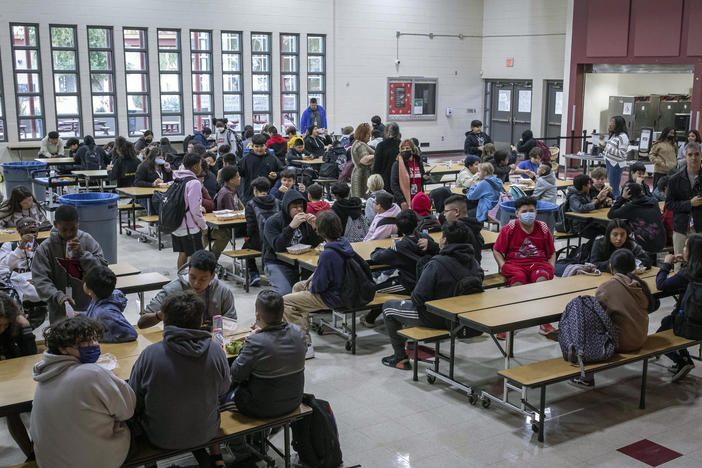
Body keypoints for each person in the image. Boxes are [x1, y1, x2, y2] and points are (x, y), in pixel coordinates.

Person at [129, 291, 231, 467]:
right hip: (206, 432)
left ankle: (150, 465)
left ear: (165, 322)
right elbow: (223, 390)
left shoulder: (150, 355)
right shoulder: (215, 350)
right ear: (201, 321)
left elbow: (134, 399)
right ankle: (216, 456)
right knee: (211, 401)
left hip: (160, 437)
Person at [31, 315, 136, 468]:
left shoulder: (45, 375)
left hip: (49, 461)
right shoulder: (91, 374)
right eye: (84, 342)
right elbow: (128, 410)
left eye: (94, 339)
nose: (93, 345)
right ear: (63, 348)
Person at [381, 221, 484, 370]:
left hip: (437, 318)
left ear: (445, 240)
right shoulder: (474, 263)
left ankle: (399, 358)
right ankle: (410, 343)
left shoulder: (436, 264)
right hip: (462, 318)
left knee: (389, 308)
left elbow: (417, 298)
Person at [571, 249, 657, 388]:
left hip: (622, 344)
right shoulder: (640, 284)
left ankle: (586, 377)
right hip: (641, 338)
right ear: (634, 267)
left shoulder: (606, 288)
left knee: (585, 322)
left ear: (611, 267)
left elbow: (598, 317)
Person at [283, 211, 356, 358]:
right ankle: (301, 332)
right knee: (298, 287)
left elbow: (318, 287)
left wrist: (312, 284)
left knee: (284, 302)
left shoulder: (327, 254)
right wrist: (315, 276)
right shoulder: (343, 243)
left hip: (332, 296)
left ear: (321, 231)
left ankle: (304, 345)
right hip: (344, 289)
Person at [229, 290, 306, 417]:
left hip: (261, 408)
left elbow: (236, 374)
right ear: (282, 313)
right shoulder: (298, 333)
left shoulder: (255, 342)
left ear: (258, 316)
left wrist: (248, 342)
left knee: (228, 393)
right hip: (294, 401)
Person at [32, 205, 107, 324]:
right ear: (56, 225)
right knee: (63, 339)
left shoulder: (87, 240)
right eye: (64, 230)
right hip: (59, 310)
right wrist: (57, 296)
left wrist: (83, 255)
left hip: (88, 306)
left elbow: (103, 270)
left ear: (78, 223)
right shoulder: (46, 248)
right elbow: (40, 279)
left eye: (73, 229)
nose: (69, 233)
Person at [493, 196, 556, 336]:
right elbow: (497, 250)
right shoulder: (509, 228)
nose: (528, 214)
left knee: (541, 282)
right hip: (515, 264)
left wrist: (551, 266)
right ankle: (509, 322)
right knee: (518, 282)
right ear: (517, 213)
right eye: (524, 211)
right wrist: (503, 265)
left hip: (538, 263)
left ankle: (544, 322)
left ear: (536, 212)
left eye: (531, 210)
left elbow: (552, 252)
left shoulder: (543, 228)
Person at [138, 250, 237, 330]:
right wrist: (160, 315)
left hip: (210, 341)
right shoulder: (173, 290)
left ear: (212, 275)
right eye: (192, 277)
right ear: (188, 271)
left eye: (203, 279)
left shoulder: (223, 292)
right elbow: (142, 323)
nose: (196, 283)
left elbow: (232, 323)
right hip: (178, 343)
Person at [655, 234, 702, 381]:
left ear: (692, 252)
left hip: (690, 325)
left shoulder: (687, 274)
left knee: (660, 335)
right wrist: (687, 263)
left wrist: (667, 264)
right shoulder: (693, 270)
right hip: (698, 321)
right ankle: (683, 358)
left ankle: (682, 361)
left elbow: (661, 284)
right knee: (669, 320)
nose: (683, 249)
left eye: (685, 246)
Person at [263, 189, 322, 295]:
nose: (299, 209)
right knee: (286, 294)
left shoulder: (304, 222)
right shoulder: (272, 222)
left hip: (300, 261)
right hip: (276, 262)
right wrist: (291, 227)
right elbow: (278, 246)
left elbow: (313, 244)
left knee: (313, 290)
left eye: (301, 206)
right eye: (295, 207)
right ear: (287, 207)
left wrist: (315, 228)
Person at [0, 292, 36, 460]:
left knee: (37, 406)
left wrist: (27, 331)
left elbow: (31, 359)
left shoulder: (19, 325)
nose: (1, 329)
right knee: (10, 412)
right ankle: (30, 454)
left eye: (5, 325)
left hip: (18, 373)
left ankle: (39, 450)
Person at [370, 209, 440, 294]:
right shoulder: (427, 239)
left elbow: (377, 257)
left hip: (410, 284)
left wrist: (379, 249)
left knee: (375, 292)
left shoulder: (399, 247)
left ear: (398, 228)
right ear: (417, 223)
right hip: (429, 282)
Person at [0, 217, 43, 327]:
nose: (31, 234)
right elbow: (3, 267)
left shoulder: (42, 248)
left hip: (35, 287)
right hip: (15, 287)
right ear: (20, 232)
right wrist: (20, 247)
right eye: (26, 231)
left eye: (33, 230)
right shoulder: (9, 246)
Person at [665, 142, 702, 266]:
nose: (694, 158)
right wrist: (689, 203)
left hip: (700, 228)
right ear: (685, 157)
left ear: (701, 155)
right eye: (690, 154)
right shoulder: (675, 179)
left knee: (698, 265)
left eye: (696, 154)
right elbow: (669, 204)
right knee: (679, 265)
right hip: (681, 228)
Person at [170, 153, 208, 269]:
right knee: (196, 257)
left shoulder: (176, 178)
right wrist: (203, 226)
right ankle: (195, 282)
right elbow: (195, 209)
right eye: (200, 165)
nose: (201, 168)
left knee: (183, 253)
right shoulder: (194, 183)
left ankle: (182, 279)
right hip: (189, 227)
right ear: (196, 166)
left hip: (176, 224)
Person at [83, 265, 137, 343]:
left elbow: (131, 333)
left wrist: (96, 337)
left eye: (85, 282)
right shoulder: (97, 297)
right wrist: (79, 315)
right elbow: (93, 314)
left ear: (90, 291)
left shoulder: (105, 313)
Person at [608, 183, 666, 254]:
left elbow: (610, 214)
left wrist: (622, 198)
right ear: (641, 192)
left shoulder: (631, 207)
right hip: (661, 241)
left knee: (623, 235)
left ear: (628, 194)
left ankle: (622, 259)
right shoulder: (653, 201)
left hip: (647, 245)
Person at [243, 177, 280, 287]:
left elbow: (251, 227)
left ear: (255, 190)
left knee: (245, 248)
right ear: (268, 189)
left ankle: (254, 274)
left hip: (259, 240)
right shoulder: (277, 201)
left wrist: (248, 235)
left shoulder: (251, 204)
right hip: (276, 239)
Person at [209, 165, 243, 260]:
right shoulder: (227, 193)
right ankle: (212, 260)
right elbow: (231, 214)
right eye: (237, 176)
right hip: (223, 228)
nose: (239, 178)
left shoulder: (233, 190)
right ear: (231, 180)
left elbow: (241, 206)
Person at [239, 133, 283, 202]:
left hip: (269, 195)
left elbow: (282, 172)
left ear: (265, 146)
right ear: (252, 146)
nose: (259, 149)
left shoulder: (273, 159)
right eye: (256, 146)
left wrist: (276, 175)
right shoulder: (246, 160)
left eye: (262, 146)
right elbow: (239, 173)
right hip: (250, 196)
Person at [442, 194, 485, 263]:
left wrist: (432, 246)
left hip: (459, 271)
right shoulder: (473, 226)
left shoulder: (456, 231)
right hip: (474, 268)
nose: (444, 215)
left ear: (456, 212)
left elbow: (448, 257)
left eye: (446, 211)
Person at [567, 174, 610, 239]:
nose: (590, 186)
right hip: (579, 226)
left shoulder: (585, 194)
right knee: (603, 235)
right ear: (583, 186)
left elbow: (591, 205)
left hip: (589, 223)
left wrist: (601, 200)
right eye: (588, 184)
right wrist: (596, 200)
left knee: (608, 230)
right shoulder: (573, 197)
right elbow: (581, 209)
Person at [390, 139, 427, 209]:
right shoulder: (397, 164)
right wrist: (402, 201)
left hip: (418, 199)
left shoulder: (418, 162)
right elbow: (394, 185)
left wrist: (424, 178)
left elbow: (420, 180)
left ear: (412, 150)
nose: (405, 150)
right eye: (402, 149)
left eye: (407, 148)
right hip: (404, 201)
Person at [601, 115, 630, 198]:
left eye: (612, 123)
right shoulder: (614, 135)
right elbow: (610, 148)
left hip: (616, 165)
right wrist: (604, 145)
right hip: (610, 163)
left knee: (614, 188)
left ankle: (616, 204)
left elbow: (622, 153)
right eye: (610, 122)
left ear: (618, 125)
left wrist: (606, 147)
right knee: (612, 186)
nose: (610, 124)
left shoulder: (623, 137)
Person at [372, 122, 401, 190]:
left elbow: (377, 164)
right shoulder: (401, 145)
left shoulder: (381, 145)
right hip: (399, 178)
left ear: (387, 132)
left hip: (384, 179)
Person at [351, 122, 375, 198]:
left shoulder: (358, 143)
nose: (370, 136)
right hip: (362, 176)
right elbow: (365, 160)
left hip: (359, 174)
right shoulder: (361, 145)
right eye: (368, 134)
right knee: (362, 199)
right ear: (363, 134)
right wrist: (377, 155)